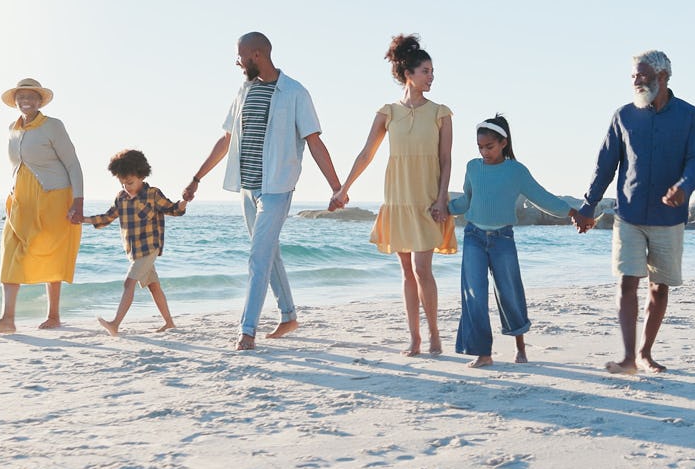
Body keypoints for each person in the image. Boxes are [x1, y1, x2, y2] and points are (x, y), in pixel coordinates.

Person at [183, 32, 344, 351]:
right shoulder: (243, 90)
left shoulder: (295, 92)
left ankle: (247, 331)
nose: (238, 63)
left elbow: (314, 142)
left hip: (277, 187)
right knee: (269, 253)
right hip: (247, 187)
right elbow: (226, 140)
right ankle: (289, 316)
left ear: (256, 55)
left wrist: (337, 187)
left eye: (240, 56)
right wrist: (196, 178)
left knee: (258, 257)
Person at [573, 50, 695, 374]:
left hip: (669, 218)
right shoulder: (624, 116)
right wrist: (588, 205)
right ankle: (627, 357)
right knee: (626, 283)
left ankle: (646, 353)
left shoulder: (690, 116)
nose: (635, 80)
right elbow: (605, 163)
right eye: (633, 75)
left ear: (662, 77)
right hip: (629, 215)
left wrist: (684, 187)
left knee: (658, 287)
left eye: (641, 75)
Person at [331, 34, 456, 356]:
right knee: (406, 271)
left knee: (423, 269)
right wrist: (343, 189)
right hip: (397, 198)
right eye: (426, 71)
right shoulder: (388, 112)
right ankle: (414, 338)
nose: (431, 77)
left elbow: (446, 159)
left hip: (427, 198)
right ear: (408, 74)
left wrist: (442, 199)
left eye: (432, 71)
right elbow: (365, 154)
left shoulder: (441, 113)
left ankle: (434, 335)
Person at [448, 115, 578, 368]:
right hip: (474, 236)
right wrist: (445, 208)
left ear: (503, 143)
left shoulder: (516, 171)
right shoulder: (473, 167)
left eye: (490, 146)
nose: (484, 152)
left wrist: (572, 212)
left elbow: (542, 197)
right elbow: (466, 201)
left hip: (502, 240)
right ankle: (483, 353)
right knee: (474, 294)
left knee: (509, 293)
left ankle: (520, 347)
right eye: (480, 147)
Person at [0, 78, 85, 334]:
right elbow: (18, 166)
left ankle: (54, 316)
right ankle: (7, 319)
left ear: (40, 101)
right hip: (20, 200)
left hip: (54, 197)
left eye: (30, 97)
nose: (25, 101)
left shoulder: (53, 126)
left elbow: (73, 164)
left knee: (51, 251)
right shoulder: (12, 129)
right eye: (21, 97)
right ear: (15, 101)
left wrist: (78, 201)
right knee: (9, 251)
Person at [86, 149, 187, 335]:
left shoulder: (152, 194)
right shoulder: (121, 198)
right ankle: (169, 323)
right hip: (134, 252)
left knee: (129, 283)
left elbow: (173, 209)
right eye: (123, 183)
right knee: (154, 286)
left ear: (141, 175)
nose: (127, 187)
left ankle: (115, 324)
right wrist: (83, 220)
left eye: (130, 183)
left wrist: (182, 204)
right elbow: (107, 218)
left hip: (150, 248)